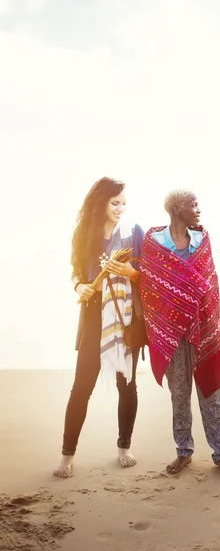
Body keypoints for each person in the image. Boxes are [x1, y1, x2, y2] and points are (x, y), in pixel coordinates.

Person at [139, 189, 220, 477]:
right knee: (179, 393)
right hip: (170, 330)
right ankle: (183, 450)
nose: (198, 209)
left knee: (210, 391)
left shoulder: (202, 239)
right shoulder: (154, 241)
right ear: (175, 209)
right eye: (191, 205)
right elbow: (150, 284)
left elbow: (209, 283)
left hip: (202, 326)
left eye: (198, 205)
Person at [55, 177, 145, 478]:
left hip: (124, 315)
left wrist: (130, 272)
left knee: (127, 384)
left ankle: (124, 447)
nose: (120, 209)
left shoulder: (134, 233)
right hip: (93, 314)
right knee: (82, 386)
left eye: (124, 203)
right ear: (100, 203)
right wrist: (79, 285)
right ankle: (67, 454)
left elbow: (148, 274)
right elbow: (76, 272)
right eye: (114, 203)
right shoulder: (84, 233)